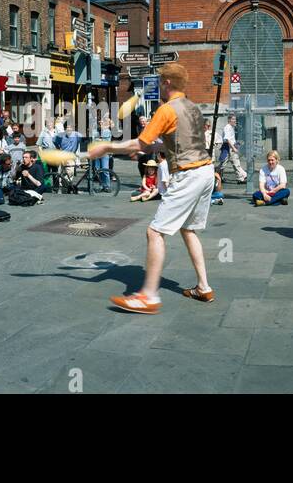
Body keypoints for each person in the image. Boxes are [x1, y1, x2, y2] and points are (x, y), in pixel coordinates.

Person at [88, 62, 216, 314]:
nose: (158, 84)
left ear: (167, 83)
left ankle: (148, 296)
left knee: (155, 232)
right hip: (206, 172)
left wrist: (108, 147)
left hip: (188, 175)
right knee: (188, 229)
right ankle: (204, 287)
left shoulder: (166, 110)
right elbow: (175, 144)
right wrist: (150, 148)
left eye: (159, 81)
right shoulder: (193, 107)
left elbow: (140, 143)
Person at [219, 114, 248, 183]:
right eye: (233, 119)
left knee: (235, 162)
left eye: (235, 119)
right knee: (223, 164)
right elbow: (227, 139)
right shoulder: (227, 127)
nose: (235, 121)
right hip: (228, 148)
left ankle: (241, 177)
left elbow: (231, 139)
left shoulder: (231, 127)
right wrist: (233, 148)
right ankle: (217, 175)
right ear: (229, 120)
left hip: (231, 147)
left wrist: (236, 144)